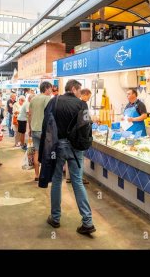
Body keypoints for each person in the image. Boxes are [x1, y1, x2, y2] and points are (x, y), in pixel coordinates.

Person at [43, 79, 96, 235]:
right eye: (79, 91)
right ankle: (87, 222)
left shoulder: (54, 101)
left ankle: (55, 218)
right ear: (74, 89)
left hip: (57, 146)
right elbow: (86, 126)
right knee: (77, 181)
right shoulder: (82, 105)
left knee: (57, 180)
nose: (80, 94)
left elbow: (46, 124)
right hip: (76, 148)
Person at [66, 87, 92, 185]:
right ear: (84, 94)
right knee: (79, 159)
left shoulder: (75, 103)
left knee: (70, 158)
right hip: (79, 136)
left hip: (70, 134)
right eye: (88, 96)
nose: (89, 99)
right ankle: (79, 179)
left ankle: (69, 177)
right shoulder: (83, 104)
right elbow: (85, 122)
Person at [28, 81, 52, 181]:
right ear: (46, 88)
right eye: (50, 88)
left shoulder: (33, 99)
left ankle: (36, 175)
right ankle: (44, 176)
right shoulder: (47, 98)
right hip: (44, 130)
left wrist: (30, 128)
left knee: (37, 152)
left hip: (34, 129)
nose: (51, 90)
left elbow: (29, 115)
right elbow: (49, 115)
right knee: (46, 153)